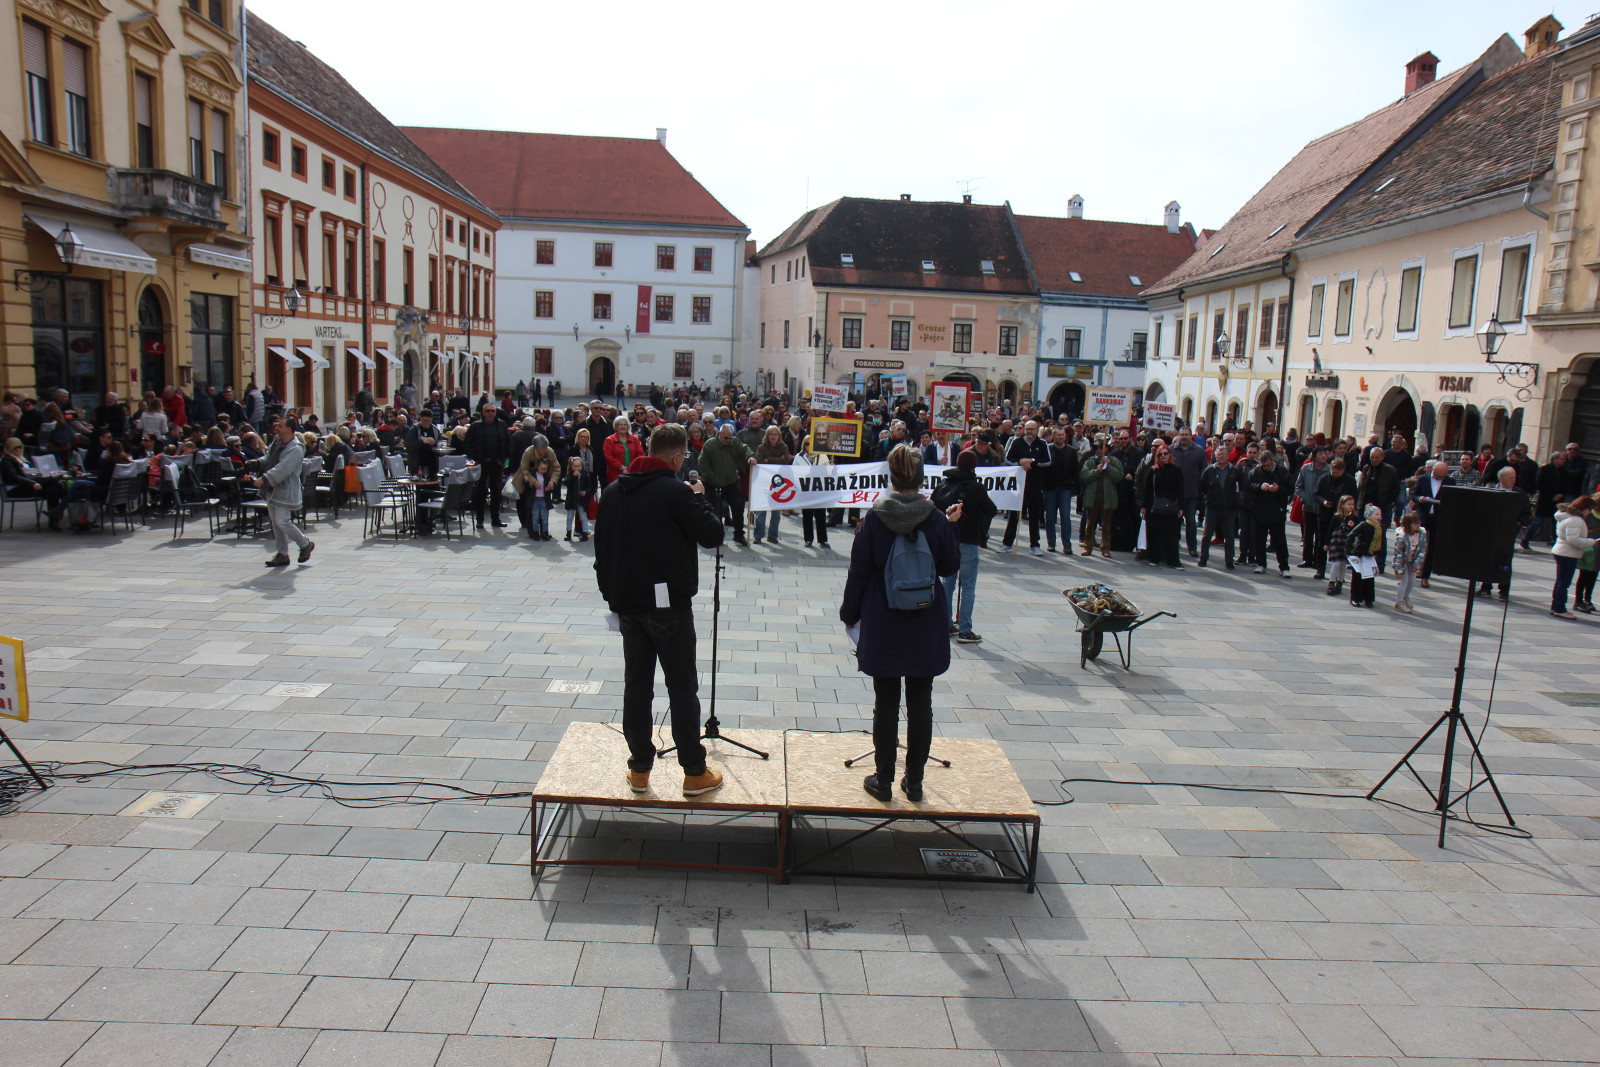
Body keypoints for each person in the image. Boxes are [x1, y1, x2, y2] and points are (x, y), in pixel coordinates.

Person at [593, 423, 726, 795]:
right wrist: (698, 497)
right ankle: (694, 772)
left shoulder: (614, 491)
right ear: (678, 457)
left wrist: (612, 598)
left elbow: (600, 551)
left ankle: (639, 769)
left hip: (627, 606)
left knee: (636, 687)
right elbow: (713, 535)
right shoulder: (675, 491)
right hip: (667, 608)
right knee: (682, 688)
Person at [840, 445, 961, 801]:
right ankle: (916, 780)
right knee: (921, 702)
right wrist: (951, 529)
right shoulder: (936, 518)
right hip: (925, 621)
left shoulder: (875, 518)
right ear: (921, 477)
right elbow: (950, 567)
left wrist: (850, 614)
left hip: (884, 620)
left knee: (886, 701)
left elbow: (858, 570)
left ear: (891, 476)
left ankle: (883, 778)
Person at [930, 448, 997, 643]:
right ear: (973, 466)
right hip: (968, 539)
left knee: (947, 583)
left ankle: (947, 623)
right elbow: (991, 509)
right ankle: (965, 629)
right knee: (968, 585)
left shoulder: (943, 484)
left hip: (947, 539)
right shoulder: (975, 487)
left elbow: (933, 507)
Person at [246, 419, 313, 567]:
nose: (276, 428)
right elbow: (269, 457)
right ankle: (282, 554)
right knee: (275, 523)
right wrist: (258, 462)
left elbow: (284, 468)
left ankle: (304, 543)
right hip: (273, 488)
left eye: (280, 426)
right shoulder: (277, 441)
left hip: (285, 489)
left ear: (289, 429)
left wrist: (263, 479)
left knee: (282, 521)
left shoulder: (296, 448)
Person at [1479, 466, 1531, 602]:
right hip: (1491, 532)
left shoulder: (1519, 493)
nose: (1513, 480)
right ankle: (1486, 587)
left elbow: (1526, 513)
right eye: (1510, 477)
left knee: (1505, 561)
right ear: (1501, 478)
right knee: (1488, 559)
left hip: (1508, 533)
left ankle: (1504, 590)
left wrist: (1517, 523)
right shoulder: (1491, 490)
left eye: (1514, 477)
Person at [698, 423, 755, 546]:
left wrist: (750, 457)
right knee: (715, 511)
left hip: (731, 483)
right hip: (713, 484)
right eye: (726, 438)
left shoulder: (734, 442)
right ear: (719, 434)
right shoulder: (710, 445)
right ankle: (717, 535)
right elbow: (702, 463)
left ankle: (739, 534)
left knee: (738, 507)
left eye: (730, 438)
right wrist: (711, 477)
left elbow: (745, 449)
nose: (728, 440)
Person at [1001, 419, 1050, 555]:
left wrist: (1032, 462)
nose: (1029, 431)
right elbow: (1007, 459)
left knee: (1034, 515)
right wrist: (1020, 462)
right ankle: (1007, 543)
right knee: (1014, 514)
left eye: (1032, 429)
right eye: (1027, 429)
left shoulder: (1042, 443)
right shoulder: (1017, 442)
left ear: (1037, 430)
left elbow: (1047, 461)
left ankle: (1035, 544)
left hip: (1035, 484)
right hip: (1018, 484)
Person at [464, 403, 512, 528]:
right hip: (482, 463)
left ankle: (495, 519)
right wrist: (475, 458)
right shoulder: (476, 426)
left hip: (497, 463)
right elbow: (467, 443)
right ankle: (480, 519)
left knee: (496, 492)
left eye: (492, 411)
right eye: (488, 411)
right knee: (480, 492)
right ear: (483, 412)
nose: (490, 413)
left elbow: (508, 443)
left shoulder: (501, 424)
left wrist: (504, 459)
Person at [1, 436, 65, 528]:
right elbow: (14, 477)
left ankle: (54, 520)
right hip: (18, 487)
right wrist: (32, 483)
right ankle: (64, 503)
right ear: (9, 448)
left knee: (53, 490)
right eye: (15, 448)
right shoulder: (7, 460)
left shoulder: (23, 459)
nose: (18, 449)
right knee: (53, 480)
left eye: (20, 447)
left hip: (31, 484)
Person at [1550, 495, 1596, 619]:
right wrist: (1591, 542)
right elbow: (1573, 540)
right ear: (1584, 508)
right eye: (1590, 509)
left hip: (1562, 551)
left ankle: (1556, 606)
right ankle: (1560, 608)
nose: (1590, 512)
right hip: (1567, 553)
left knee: (1560, 581)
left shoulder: (1566, 516)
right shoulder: (1576, 520)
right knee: (1564, 582)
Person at [1248, 449, 1293, 578]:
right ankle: (1261, 563)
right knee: (1260, 539)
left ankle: (1284, 567)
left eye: (1269, 465)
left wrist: (1279, 489)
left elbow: (1290, 488)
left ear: (1273, 461)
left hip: (1277, 511)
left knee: (1279, 541)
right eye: (1264, 466)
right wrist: (1259, 486)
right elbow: (1249, 486)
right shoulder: (1256, 472)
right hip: (1260, 510)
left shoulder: (1282, 472)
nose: (1267, 468)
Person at [1078, 434, 1122, 558]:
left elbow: (1119, 476)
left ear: (1107, 449)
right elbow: (1084, 476)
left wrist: (1108, 467)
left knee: (1107, 524)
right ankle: (1088, 546)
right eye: (1096, 447)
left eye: (1101, 447)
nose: (1099, 450)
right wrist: (1097, 471)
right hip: (1093, 497)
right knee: (1090, 523)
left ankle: (1106, 548)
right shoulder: (1090, 461)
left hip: (1108, 497)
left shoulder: (1113, 461)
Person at [1410, 460, 1453, 586]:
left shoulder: (1450, 482)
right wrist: (1419, 499)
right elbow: (1413, 494)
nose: (1439, 477)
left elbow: (1452, 499)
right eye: (1437, 475)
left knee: (1432, 547)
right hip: (1423, 515)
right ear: (1432, 470)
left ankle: (1425, 575)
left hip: (1437, 517)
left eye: (1442, 476)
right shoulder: (1423, 479)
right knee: (1416, 544)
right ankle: (1411, 572)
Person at [1141, 442, 1183, 568]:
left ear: (1170, 455)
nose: (1163, 456)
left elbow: (1181, 489)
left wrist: (1181, 507)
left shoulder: (1176, 470)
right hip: (1155, 506)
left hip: (1171, 506)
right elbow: (1146, 489)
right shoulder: (1153, 470)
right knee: (1154, 534)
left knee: (1172, 536)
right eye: (1161, 454)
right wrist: (1143, 505)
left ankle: (1173, 560)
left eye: (1166, 454)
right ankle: (1154, 558)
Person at [1197, 448, 1241, 569]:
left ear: (1228, 456)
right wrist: (1207, 499)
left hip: (1229, 509)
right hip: (1213, 508)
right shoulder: (1209, 470)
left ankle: (1229, 561)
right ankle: (1203, 558)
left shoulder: (1234, 471)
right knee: (1207, 534)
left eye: (1223, 454)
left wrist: (1236, 501)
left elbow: (1240, 487)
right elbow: (1201, 486)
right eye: (1219, 454)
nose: (1221, 456)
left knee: (1229, 536)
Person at [1168, 428, 1207, 557]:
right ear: (1178, 436)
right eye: (1182, 435)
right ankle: (1174, 544)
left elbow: (1204, 472)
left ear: (1191, 436)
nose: (1184, 437)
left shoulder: (1199, 452)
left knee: (1191, 521)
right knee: (1174, 521)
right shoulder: (1171, 449)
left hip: (1191, 493)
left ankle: (1192, 547)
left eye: (1186, 435)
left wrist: (1201, 491)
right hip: (1174, 493)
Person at [753, 424, 792, 544]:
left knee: (776, 512)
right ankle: (758, 535)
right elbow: (759, 460)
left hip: (779, 483)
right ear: (767, 435)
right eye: (771, 434)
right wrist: (776, 460)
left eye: (775, 434)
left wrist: (768, 459)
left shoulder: (783, 446)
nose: (773, 437)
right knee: (761, 511)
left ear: (778, 436)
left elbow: (786, 460)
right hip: (764, 482)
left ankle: (773, 535)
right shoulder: (762, 447)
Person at [1527, 450, 1567, 549]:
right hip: (1545, 500)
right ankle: (1526, 539)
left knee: (1556, 522)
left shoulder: (1563, 471)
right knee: (1537, 521)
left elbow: (1565, 485)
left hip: (1557, 501)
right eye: (1562, 459)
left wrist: (1561, 494)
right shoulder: (1544, 469)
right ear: (1555, 459)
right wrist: (1552, 495)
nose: (1564, 461)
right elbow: (1539, 484)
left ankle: (1554, 541)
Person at [1348, 504, 1383, 607]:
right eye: (1376, 514)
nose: (1379, 517)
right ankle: (1355, 598)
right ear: (1369, 516)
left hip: (1370, 555)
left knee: (1370, 577)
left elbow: (1382, 542)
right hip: (1359, 554)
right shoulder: (1363, 525)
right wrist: (1348, 550)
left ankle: (1368, 599)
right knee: (1357, 577)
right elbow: (1351, 535)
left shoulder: (1380, 528)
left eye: (1380, 514)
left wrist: (1377, 553)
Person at [1392, 512, 1427, 613]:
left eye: (1418, 523)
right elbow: (1398, 553)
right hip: (1403, 561)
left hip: (1413, 560)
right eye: (1415, 524)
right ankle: (1399, 601)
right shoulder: (1401, 536)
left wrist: (1417, 564)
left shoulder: (1421, 533)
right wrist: (1398, 569)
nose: (1418, 526)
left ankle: (1405, 597)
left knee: (1411, 581)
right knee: (1404, 581)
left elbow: (1422, 549)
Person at [1324, 495, 1359, 597]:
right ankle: (1331, 582)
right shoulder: (1336, 517)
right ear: (1342, 505)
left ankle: (1339, 582)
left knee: (1343, 563)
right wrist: (1327, 543)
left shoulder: (1354, 518)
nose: (1351, 506)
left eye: (1353, 504)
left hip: (1347, 542)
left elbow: (1356, 531)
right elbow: (1330, 530)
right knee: (1336, 563)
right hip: (1336, 541)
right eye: (1349, 504)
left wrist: (1352, 526)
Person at [561, 455, 593, 542]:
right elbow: (566, 482)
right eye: (575, 466)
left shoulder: (584, 475)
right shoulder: (569, 475)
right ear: (571, 467)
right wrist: (573, 476)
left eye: (579, 466)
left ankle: (585, 533)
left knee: (583, 517)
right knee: (570, 517)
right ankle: (568, 533)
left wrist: (585, 492)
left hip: (581, 500)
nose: (577, 468)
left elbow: (590, 487)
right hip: (571, 500)